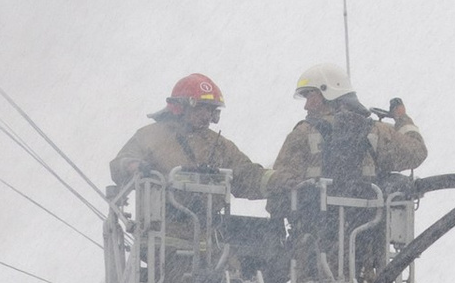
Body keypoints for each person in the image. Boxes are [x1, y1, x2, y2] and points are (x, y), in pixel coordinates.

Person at [265, 63, 426, 195]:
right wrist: (402, 118)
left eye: (310, 96)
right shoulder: (376, 131)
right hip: (371, 230)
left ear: (328, 93)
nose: (306, 106)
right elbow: (416, 152)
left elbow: (278, 190)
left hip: (313, 232)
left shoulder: (301, 134)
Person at [107, 73, 265, 195]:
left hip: (211, 230)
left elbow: (246, 174)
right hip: (166, 230)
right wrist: (132, 166)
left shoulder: (217, 144)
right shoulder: (150, 136)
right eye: (200, 108)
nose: (206, 115)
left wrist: (276, 180)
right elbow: (118, 165)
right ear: (180, 107)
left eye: (210, 109)